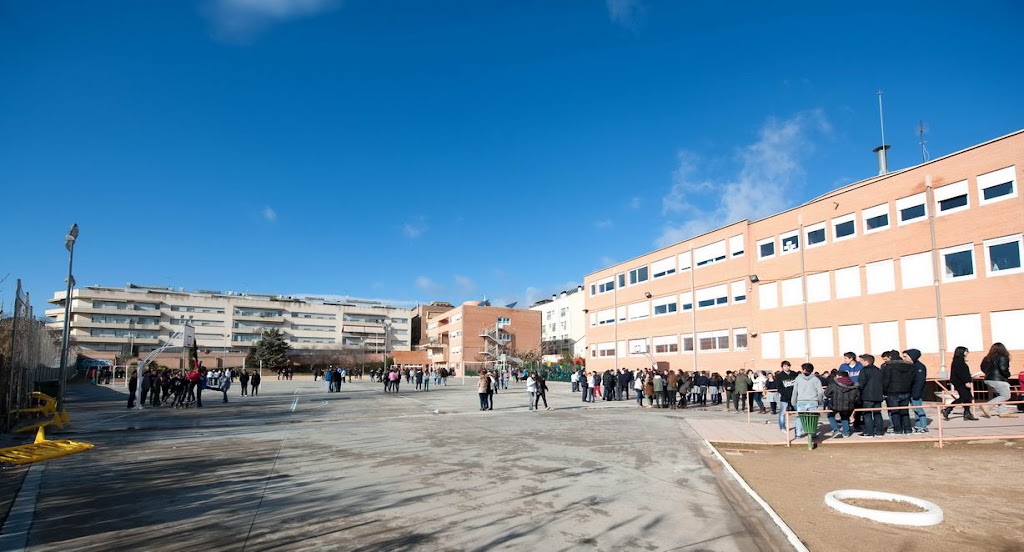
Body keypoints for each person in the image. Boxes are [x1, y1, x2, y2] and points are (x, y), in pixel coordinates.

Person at [881, 350, 914, 435]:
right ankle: (908, 429)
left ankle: (898, 430)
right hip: (906, 391)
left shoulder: (889, 367)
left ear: (890, 357)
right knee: (905, 411)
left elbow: (886, 380)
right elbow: (912, 379)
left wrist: (884, 391)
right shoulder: (909, 366)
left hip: (892, 392)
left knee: (894, 412)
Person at [979, 342, 1016, 418]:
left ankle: (1003, 412)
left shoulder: (987, 358)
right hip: (999, 380)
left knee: (1000, 395)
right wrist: (1008, 375)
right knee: (1006, 396)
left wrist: (988, 374)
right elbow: (1003, 368)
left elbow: (982, 367)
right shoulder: (1003, 357)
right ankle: (987, 406)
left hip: (988, 379)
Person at [943, 347, 978, 421]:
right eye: (966, 351)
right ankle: (947, 409)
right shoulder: (958, 361)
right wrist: (966, 381)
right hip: (959, 382)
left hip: (961, 381)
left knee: (968, 397)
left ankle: (967, 413)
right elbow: (960, 373)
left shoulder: (960, 360)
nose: (967, 353)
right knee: (964, 397)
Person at [791, 363, 824, 439]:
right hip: (813, 400)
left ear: (803, 370)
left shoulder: (798, 379)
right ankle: (813, 433)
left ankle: (798, 433)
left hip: (801, 400)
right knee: (813, 418)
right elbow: (820, 392)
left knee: (800, 417)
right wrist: (820, 401)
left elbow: (795, 390)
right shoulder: (816, 379)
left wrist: (793, 401)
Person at [826, 370, 860, 438]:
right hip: (848, 405)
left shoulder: (833, 385)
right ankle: (846, 432)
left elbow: (827, 394)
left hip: (834, 405)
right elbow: (857, 397)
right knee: (845, 417)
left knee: (830, 415)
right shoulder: (853, 385)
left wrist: (832, 397)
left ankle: (836, 430)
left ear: (839, 376)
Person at [857, 354, 885, 437]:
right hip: (878, 395)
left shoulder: (864, 370)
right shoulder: (878, 370)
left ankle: (869, 431)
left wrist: (858, 392)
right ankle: (879, 431)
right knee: (877, 413)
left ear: (866, 361)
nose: (860, 362)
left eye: (861, 361)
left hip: (867, 396)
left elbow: (861, 383)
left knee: (867, 414)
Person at [776, 361, 798, 431]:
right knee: (782, 413)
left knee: (799, 412)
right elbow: (779, 387)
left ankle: (799, 427)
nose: (787, 367)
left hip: (795, 397)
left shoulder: (794, 374)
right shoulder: (779, 376)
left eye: (788, 366)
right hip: (785, 398)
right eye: (785, 366)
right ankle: (782, 427)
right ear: (782, 367)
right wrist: (784, 393)